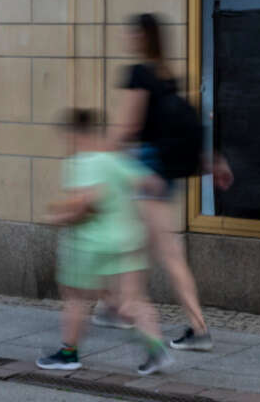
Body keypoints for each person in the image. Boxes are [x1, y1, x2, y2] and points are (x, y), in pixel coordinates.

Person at [98, 13, 233, 352]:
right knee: (135, 245)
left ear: (142, 37)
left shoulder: (140, 74)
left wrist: (96, 156)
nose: (127, 37)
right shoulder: (167, 77)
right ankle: (118, 305)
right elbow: (185, 126)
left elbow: (126, 129)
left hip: (146, 173)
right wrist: (212, 161)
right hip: (163, 174)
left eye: (131, 32)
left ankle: (195, 328)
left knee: (165, 252)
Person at [36, 108, 174, 376]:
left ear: (74, 134)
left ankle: (68, 355)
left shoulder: (82, 162)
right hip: (130, 239)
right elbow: (152, 183)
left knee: (75, 298)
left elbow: (85, 203)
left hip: (92, 245)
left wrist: (57, 217)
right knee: (131, 302)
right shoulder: (115, 159)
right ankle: (157, 351)